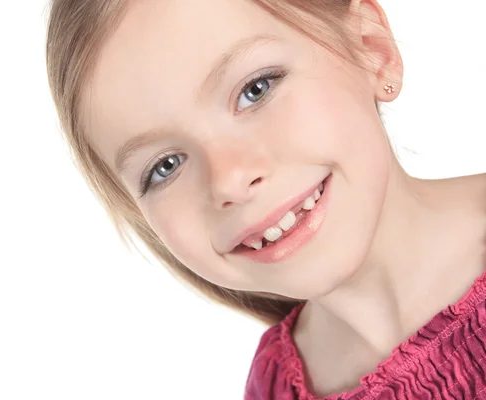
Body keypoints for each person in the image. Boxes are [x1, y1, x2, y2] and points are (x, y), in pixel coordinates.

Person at [45, 0, 486, 398]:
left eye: (256, 89)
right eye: (166, 166)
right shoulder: (275, 390)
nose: (230, 181)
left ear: (372, 50)